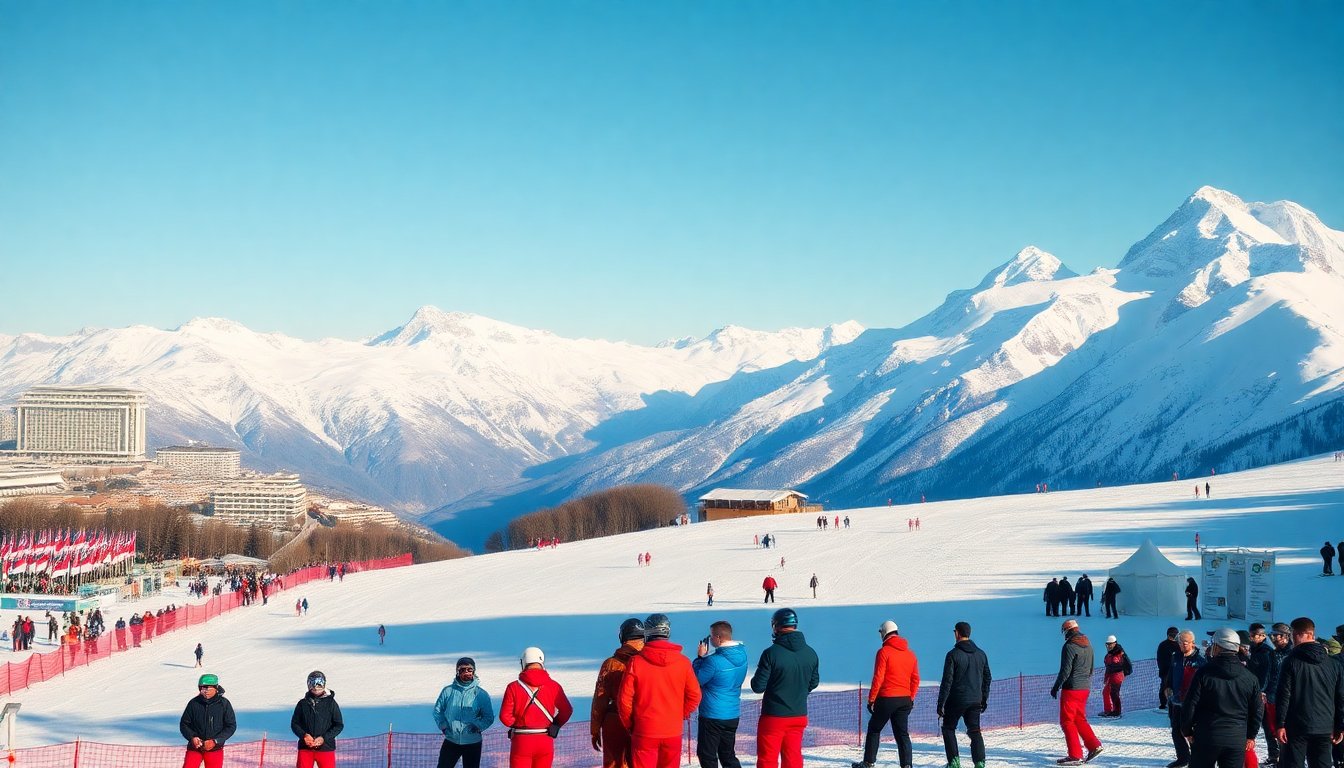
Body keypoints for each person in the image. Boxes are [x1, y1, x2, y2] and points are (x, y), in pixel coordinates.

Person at [617, 613, 701, 768]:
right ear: (667, 632)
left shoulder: (636, 662)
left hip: (644, 730)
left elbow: (624, 699)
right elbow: (694, 695)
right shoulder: (683, 662)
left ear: (647, 633)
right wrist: (679, 714)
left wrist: (630, 724)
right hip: (672, 730)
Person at [1180, 628, 1262, 768]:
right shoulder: (1250, 677)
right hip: (1236, 738)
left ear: (1218, 647)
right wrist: (1251, 735)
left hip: (1207, 735)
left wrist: (1186, 730)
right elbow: (1257, 710)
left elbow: (1190, 704)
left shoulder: (1204, 673)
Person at [750, 608, 819, 768]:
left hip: (774, 716)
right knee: (793, 758)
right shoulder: (811, 653)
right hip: (799, 715)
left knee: (768, 759)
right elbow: (814, 682)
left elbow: (758, 686)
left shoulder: (771, 653)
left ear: (776, 626)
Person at [1273, 617, 1344, 768]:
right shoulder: (1333, 663)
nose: (1292, 639)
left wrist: (1280, 724)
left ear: (1299, 634)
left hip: (1297, 726)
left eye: (1293, 634)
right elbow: (1340, 698)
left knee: (1292, 764)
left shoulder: (1291, 661)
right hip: (1325, 726)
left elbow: (1284, 695)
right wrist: (1339, 726)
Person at [854, 620, 918, 768]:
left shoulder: (883, 652)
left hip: (887, 698)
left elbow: (878, 677)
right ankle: (907, 765)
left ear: (884, 633)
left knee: (874, 729)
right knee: (902, 734)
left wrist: (871, 700)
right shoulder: (910, 654)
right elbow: (916, 679)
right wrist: (911, 697)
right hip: (905, 699)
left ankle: (868, 762)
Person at [499, 646, 573, 768]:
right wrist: (555, 724)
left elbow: (504, 716)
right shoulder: (554, 686)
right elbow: (567, 710)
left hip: (521, 741)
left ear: (523, 662)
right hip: (545, 739)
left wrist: (517, 723)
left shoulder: (513, 687)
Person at [692, 620, 749, 768]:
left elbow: (697, 679)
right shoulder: (742, 655)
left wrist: (700, 658)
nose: (710, 640)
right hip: (732, 713)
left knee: (707, 754)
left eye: (711, 637)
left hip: (712, 715)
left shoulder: (713, 661)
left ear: (718, 638)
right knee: (727, 754)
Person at [936, 621, 991, 768]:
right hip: (975, 700)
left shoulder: (953, 655)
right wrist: (983, 698)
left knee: (948, 728)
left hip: (956, 701)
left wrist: (941, 704)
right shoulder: (981, 654)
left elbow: (947, 681)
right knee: (975, 731)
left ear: (957, 633)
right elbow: (987, 678)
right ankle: (979, 763)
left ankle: (954, 762)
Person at [592, 619, 644, 768]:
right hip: (642, 719)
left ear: (622, 637)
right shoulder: (647, 662)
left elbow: (600, 700)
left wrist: (595, 730)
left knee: (614, 763)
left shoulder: (611, 664)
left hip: (615, 719)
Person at [1050, 619, 1103, 766]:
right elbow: (1092, 667)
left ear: (1067, 631)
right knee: (1079, 718)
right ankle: (1094, 745)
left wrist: (1056, 686)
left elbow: (1065, 670)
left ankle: (1075, 755)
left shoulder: (1069, 646)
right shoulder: (1088, 644)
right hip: (1085, 687)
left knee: (1067, 721)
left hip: (1071, 689)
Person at [433, 656, 496, 768]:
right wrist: (443, 726)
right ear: (458, 672)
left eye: (469, 669)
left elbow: (488, 717)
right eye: (462, 669)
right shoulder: (448, 691)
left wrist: (478, 726)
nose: (466, 672)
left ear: (474, 671)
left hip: (473, 742)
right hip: (451, 740)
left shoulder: (481, 694)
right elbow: (438, 711)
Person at [1168, 630, 1209, 768]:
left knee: (1192, 732)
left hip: (1193, 703)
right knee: (1176, 730)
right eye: (1180, 643)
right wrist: (1167, 686)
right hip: (1177, 700)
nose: (1182, 646)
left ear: (1192, 643)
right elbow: (1170, 674)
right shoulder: (1176, 657)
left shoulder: (1200, 660)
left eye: (1185, 643)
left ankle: (1196, 758)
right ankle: (1183, 757)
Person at [179, 673, 237, 768]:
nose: (206, 691)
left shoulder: (224, 704)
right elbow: (184, 724)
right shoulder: (194, 703)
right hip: (195, 748)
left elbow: (231, 726)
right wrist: (192, 737)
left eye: (209, 688)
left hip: (215, 748)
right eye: (202, 688)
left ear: (216, 688)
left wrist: (215, 741)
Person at [292, 670, 344, 768]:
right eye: (313, 683)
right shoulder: (302, 704)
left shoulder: (331, 703)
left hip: (326, 747)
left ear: (324, 684)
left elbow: (338, 725)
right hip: (305, 748)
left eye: (319, 683)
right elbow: (295, 723)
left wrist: (324, 738)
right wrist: (304, 736)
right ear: (308, 684)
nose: (316, 687)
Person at [1100, 635, 1132, 718]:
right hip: (1111, 676)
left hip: (1117, 676)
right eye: (1107, 644)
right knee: (1106, 692)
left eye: (1110, 644)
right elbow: (1109, 667)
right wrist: (1106, 677)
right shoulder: (1110, 654)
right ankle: (1108, 710)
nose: (1108, 646)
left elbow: (1122, 665)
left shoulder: (1119, 653)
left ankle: (1116, 711)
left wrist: (1121, 672)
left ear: (1114, 643)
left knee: (1114, 693)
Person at [1159, 627, 1182, 711]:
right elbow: (1160, 659)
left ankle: (1174, 703)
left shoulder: (1178, 645)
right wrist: (1163, 669)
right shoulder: (1163, 645)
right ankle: (1163, 704)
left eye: (1175, 635)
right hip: (1165, 671)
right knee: (1165, 687)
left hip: (1176, 671)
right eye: (1171, 635)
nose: (1173, 637)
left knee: (1175, 687)